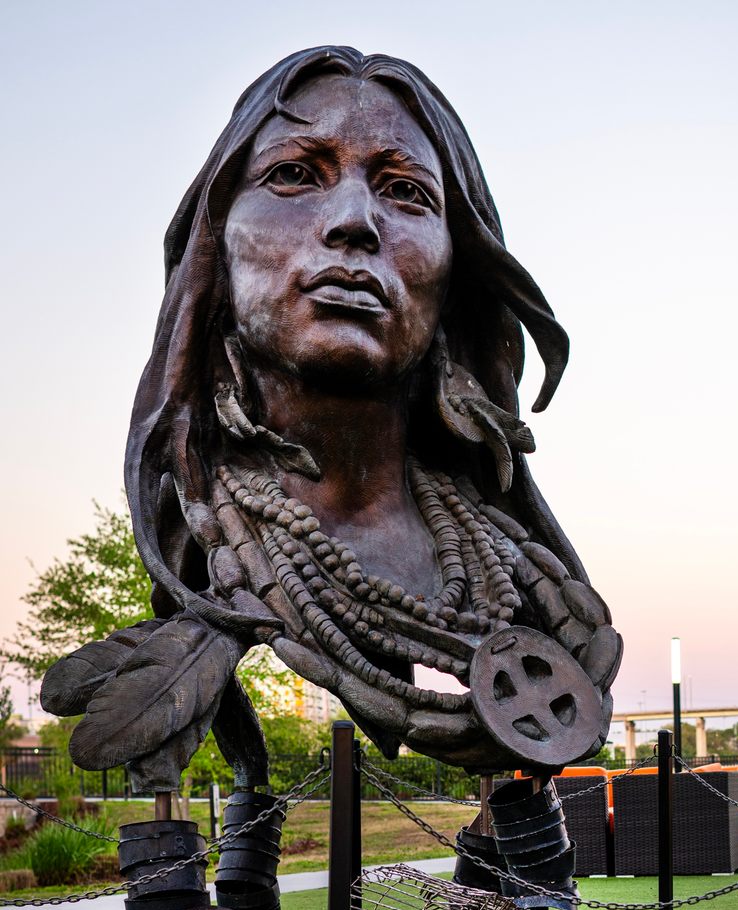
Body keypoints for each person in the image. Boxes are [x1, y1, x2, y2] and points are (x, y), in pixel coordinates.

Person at [42, 47, 620, 790]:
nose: (353, 220)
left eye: (406, 191)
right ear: (215, 250)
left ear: (454, 272)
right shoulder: (216, 547)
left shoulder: (517, 576)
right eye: (293, 174)